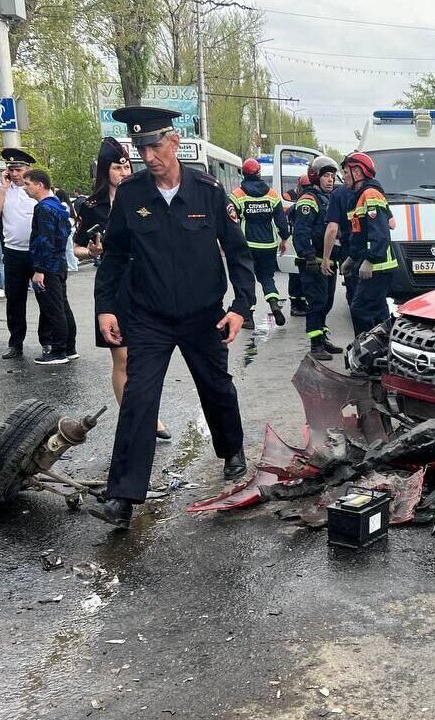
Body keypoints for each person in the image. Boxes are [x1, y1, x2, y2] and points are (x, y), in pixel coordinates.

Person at [90, 106, 255, 529]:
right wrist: (105, 307)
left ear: (175, 141)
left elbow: (238, 254)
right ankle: (123, 497)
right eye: (141, 148)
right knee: (139, 398)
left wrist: (239, 309)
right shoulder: (131, 195)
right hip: (149, 317)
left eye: (155, 146)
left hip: (203, 316)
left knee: (216, 387)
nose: (148, 156)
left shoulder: (208, 190)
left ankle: (232, 451)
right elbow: (114, 257)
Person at [74, 137, 170, 439]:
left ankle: (148, 413)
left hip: (147, 283)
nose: (123, 172)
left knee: (147, 356)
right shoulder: (92, 207)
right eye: (117, 167)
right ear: (106, 170)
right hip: (114, 286)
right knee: (122, 357)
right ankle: (136, 419)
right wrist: (91, 252)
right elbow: (76, 248)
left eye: (127, 166)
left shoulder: (145, 196)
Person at [0, 149, 44, 359]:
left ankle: (46, 341)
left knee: (44, 299)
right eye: (11, 169)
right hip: (13, 252)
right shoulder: (3, 190)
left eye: (18, 169)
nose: (14, 173)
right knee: (15, 301)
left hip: (37, 253)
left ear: (28, 169)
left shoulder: (37, 189)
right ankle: (15, 343)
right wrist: (3, 188)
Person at [291, 156, 344, 359]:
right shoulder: (309, 200)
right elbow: (301, 232)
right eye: (326, 176)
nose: (330, 180)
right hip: (313, 263)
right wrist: (309, 256)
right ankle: (315, 345)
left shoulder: (329, 198)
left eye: (332, 176)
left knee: (328, 302)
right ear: (316, 177)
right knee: (317, 303)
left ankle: (322, 337)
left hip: (329, 262)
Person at [24, 168, 77, 365]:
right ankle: (69, 347)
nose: (25, 188)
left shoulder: (43, 208)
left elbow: (44, 240)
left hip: (48, 266)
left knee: (53, 308)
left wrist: (39, 270)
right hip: (59, 263)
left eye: (27, 184)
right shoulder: (58, 206)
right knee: (62, 306)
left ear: (39, 185)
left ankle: (58, 350)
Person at [341, 152, 396, 336]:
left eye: (346, 172)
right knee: (379, 313)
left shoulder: (370, 194)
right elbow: (359, 235)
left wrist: (370, 260)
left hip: (379, 266)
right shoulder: (359, 196)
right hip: (374, 264)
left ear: (357, 172)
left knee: (360, 309)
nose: (344, 177)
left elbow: (380, 233)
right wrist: (352, 257)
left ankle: (368, 353)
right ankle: (385, 352)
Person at [230, 158, 290, 326]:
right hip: (268, 244)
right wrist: (284, 239)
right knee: (267, 277)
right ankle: (274, 304)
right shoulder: (272, 194)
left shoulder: (237, 195)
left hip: (247, 244)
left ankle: (248, 316)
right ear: (259, 174)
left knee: (246, 278)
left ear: (244, 174)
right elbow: (281, 221)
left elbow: (230, 221)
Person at [322, 162, 357, 311]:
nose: (343, 177)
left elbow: (332, 229)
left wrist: (326, 258)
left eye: (345, 173)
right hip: (372, 251)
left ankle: (362, 333)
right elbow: (391, 223)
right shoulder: (373, 191)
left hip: (349, 249)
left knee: (354, 294)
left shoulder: (338, 194)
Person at [281, 176, 309, 317]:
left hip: (295, 245)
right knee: (299, 277)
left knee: (295, 276)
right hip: (301, 246)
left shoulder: (295, 206)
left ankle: (297, 304)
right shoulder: (304, 205)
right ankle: (298, 305)